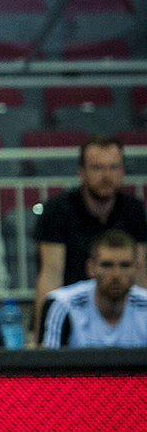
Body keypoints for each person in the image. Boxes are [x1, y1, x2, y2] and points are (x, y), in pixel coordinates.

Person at [34, 135, 147, 330]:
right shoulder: (58, 210)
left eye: (113, 167)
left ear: (123, 171)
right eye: (97, 167)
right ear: (82, 173)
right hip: (70, 316)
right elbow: (51, 274)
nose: (106, 175)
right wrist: (42, 334)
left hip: (121, 315)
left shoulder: (134, 210)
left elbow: (139, 273)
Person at [39, 229, 147, 348]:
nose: (116, 274)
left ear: (137, 268)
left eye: (125, 265)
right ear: (91, 268)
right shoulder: (63, 306)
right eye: (107, 265)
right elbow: (48, 364)